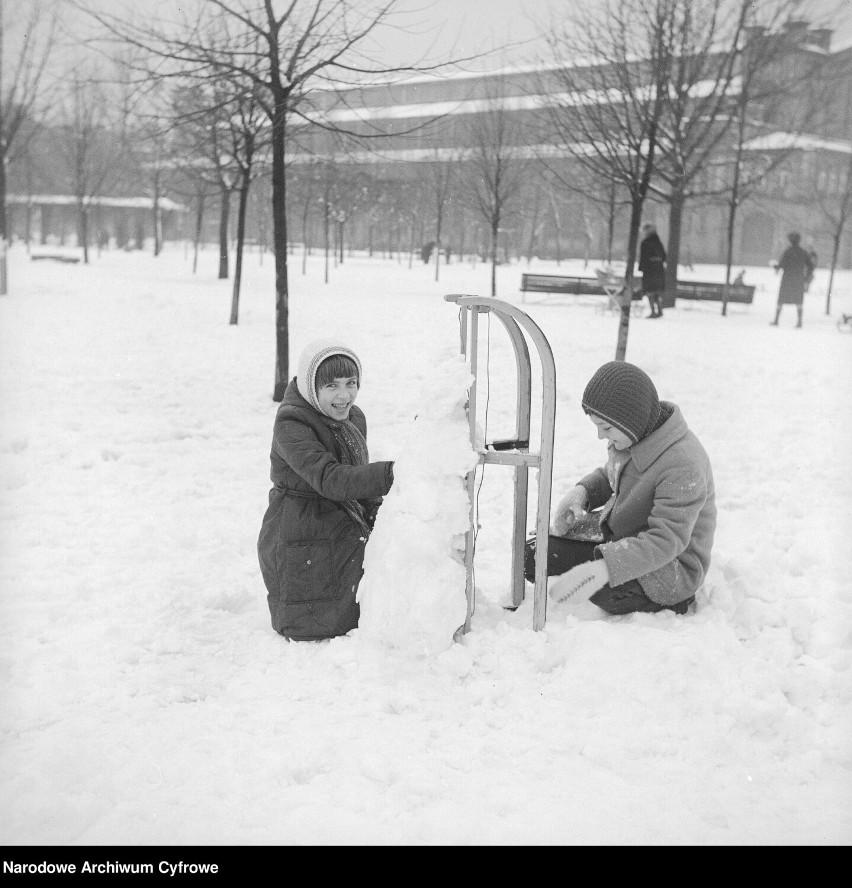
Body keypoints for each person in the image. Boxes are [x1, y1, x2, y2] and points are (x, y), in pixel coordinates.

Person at [524, 360, 716, 616]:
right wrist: (583, 493)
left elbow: (667, 540)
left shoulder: (683, 464)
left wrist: (604, 568)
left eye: (606, 428)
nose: (601, 436)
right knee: (533, 556)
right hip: (623, 537)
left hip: (670, 565)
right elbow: (616, 475)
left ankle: (673, 602)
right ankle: (603, 565)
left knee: (606, 593)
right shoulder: (633, 436)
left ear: (630, 421)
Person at [257, 338, 394, 641]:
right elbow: (332, 479)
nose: (344, 395)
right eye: (331, 386)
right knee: (322, 621)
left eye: (351, 382)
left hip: (341, 518)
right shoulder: (291, 423)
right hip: (300, 526)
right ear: (310, 387)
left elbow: (358, 479)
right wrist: (394, 474)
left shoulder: (353, 417)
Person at [770, 232, 814, 328]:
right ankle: (799, 322)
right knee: (799, 301)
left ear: (790, 241)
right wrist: (806, 277)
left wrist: (775, 267)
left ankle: (776, 320)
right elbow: (811, 266)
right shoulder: (803, 252)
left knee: (781, 299)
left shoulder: (788, 252)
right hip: (799, 280)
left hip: (787, 280)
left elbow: (781, 264)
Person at [638, 223, 667, 318]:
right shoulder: (658, 242)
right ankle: (660, 310)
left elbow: (643, 258)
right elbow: (664, 256)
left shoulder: (645, 243)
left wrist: (641, 268)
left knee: (650, 292)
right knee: (657, 291)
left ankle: (653, 312)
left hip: (649, 270)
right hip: (658, 270)